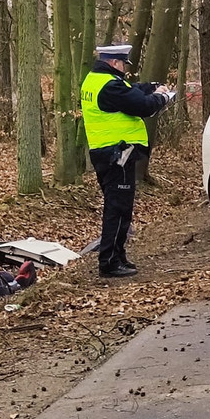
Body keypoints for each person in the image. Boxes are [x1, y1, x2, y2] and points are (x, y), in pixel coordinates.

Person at [80, 44, 172, 277]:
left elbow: (131, 90)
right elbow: (141, 105)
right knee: (118, 208)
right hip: (116, 155)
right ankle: (109, 261)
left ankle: (117, 256)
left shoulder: (96, 80)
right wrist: (161, 97)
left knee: (120, 207)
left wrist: (149, 87)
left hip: (109, 153)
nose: (124, 69)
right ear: (114, 63)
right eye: (123, 64)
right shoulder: (110, 85)